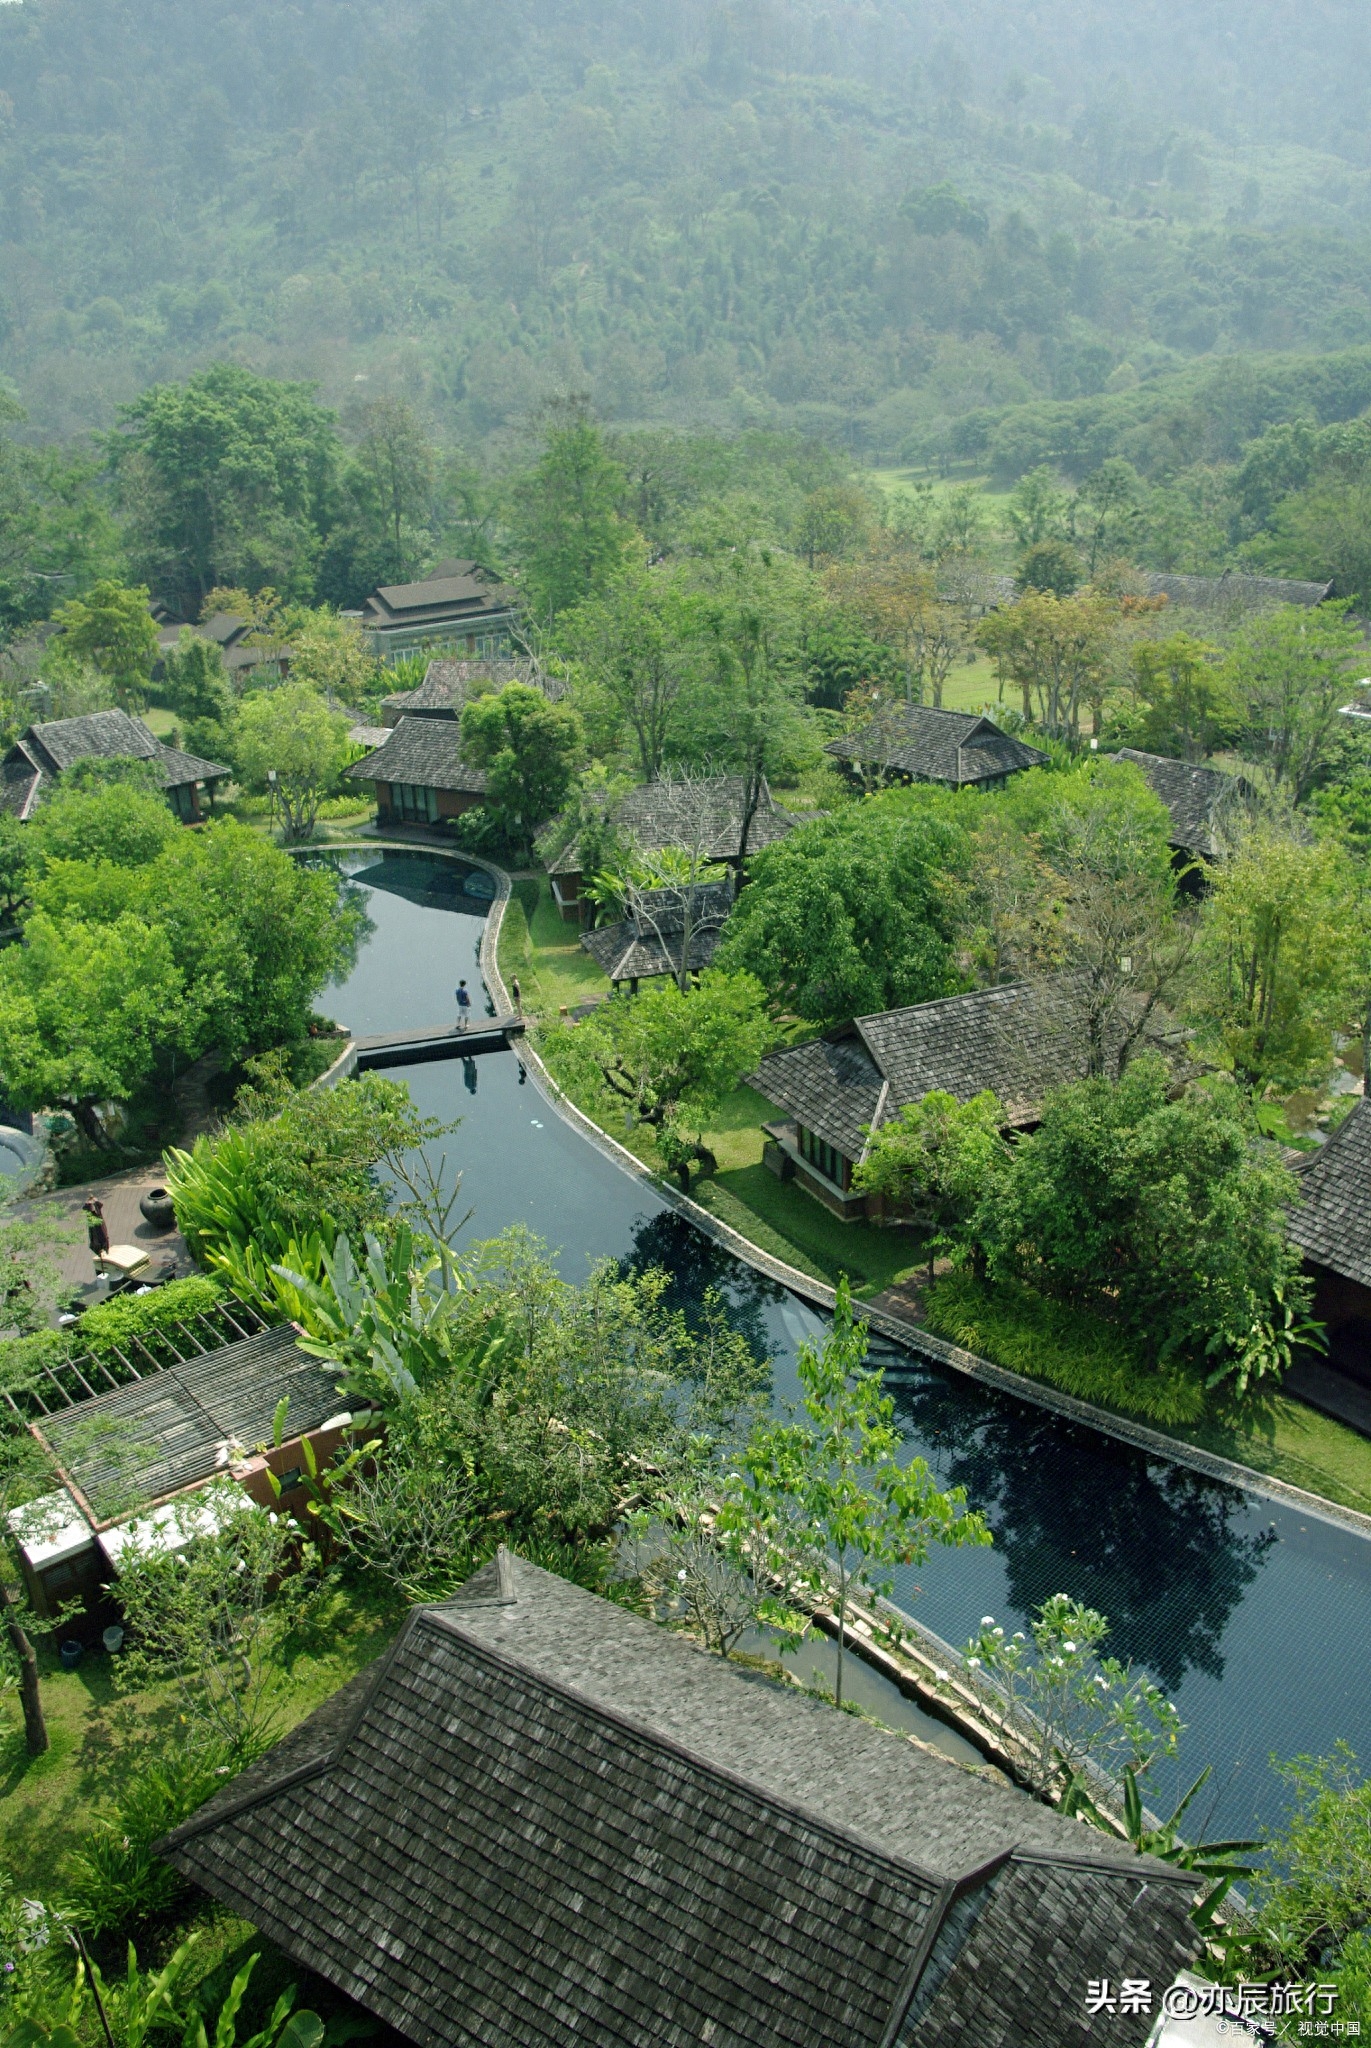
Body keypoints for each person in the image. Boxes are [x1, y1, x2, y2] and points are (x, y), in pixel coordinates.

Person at [83, 1197, 110, 1277]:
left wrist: (94, 1201)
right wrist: (91, 1202)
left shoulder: (97, 1216)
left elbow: (99, 1205)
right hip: (97, 1235)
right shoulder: (91, 1217)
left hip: (99, 1233)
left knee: (102, 1239)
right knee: (100, 1240)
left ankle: (104, 1251)